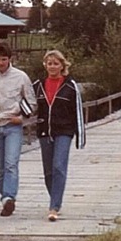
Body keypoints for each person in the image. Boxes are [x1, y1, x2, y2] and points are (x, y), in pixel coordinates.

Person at [0, 43, 36, 217]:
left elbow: (31, 102)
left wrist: (23, 118)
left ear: (10, 59)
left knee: (11, 163)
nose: (0, 63)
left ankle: (10, 196)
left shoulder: (21, 77)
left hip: (13, 125)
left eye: (3, 59)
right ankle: (5, 199)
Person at [31, 50, 86, 222]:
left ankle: (54, 206)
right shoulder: (38, 85)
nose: (53, 66)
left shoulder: (70, 86)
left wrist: (80, 136)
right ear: (45, 65)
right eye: (49, 63)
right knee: (48, 171)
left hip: (64, 131)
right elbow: (28, 104)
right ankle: (55, 197)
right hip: (44, 131)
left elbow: (77, 111)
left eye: (56, 63)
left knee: (58, 166)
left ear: (62, 65)